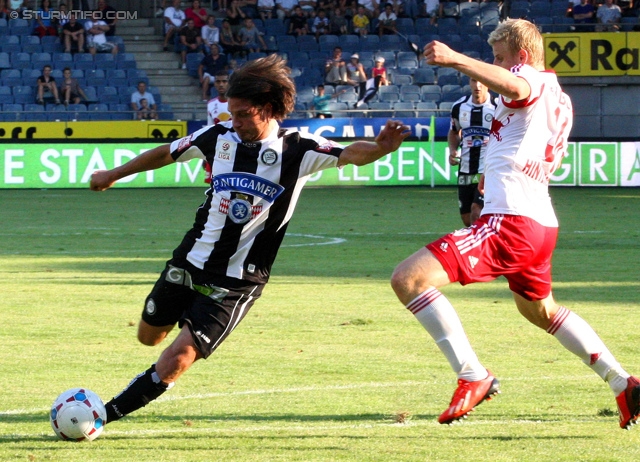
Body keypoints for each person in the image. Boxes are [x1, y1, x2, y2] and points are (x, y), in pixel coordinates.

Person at [88, 54, 410, 427]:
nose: (234, 121)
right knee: (148, 337)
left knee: (178, 358)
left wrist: (381, 149)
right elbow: (166, 152)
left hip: (238, 281)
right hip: (190, 260)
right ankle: (187, 323)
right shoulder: (216, 139)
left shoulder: (299, 148)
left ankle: (104, 414)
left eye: (242, 114)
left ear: (268, 109)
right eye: (231, 113)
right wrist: (114, 173)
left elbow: (350, 154)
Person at [391, 18, 640, 429]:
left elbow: (517, 87)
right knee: (540, 310)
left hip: (513, 221)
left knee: (409, 279)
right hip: (539, 221)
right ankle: (622, 381)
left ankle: (473, 375)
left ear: (521, 57)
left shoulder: (531, 79)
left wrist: (456, 59)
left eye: (501, 58)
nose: (497, 64)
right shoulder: (560, 96)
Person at [447, 77, 496, 227]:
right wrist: (453, 150)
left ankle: (483, 249)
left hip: (487, 170)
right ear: (469, 82)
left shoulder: (498, 107)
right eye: (474, 81)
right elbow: (454, 132)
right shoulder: (459, 107)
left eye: (482, 81)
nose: (478, 85)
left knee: (476, 211)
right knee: (467, 219)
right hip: (465, 169)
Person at [203, 70, 232, 183]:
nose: (221, 84)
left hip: (235, 148)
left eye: (224, 81)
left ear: (229, 83)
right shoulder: (211, 104)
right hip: (217, 150)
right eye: (218, 82)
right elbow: (209, 129)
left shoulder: (237, 103)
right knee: (214, 185)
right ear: (214, 84)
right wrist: (205, 153)